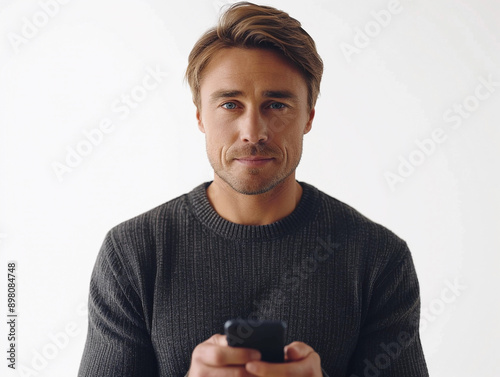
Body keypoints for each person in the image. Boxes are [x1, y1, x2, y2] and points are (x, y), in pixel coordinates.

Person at [78, 2, 429, 376]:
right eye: (230, 104)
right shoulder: (133, 254)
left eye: (276, 104)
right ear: (200, 116)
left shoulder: (377, 258)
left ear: (309, 116)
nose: (253, 132)